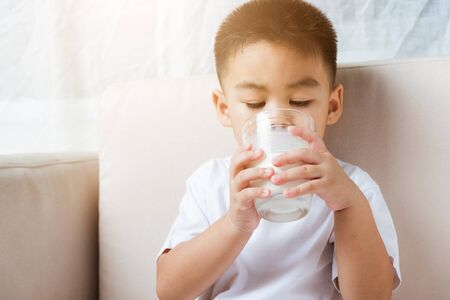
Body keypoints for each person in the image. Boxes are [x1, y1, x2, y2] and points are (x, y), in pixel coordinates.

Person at [156, 0, 401, 299]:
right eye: (254, 104)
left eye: (299, 102)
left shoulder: (353, 188)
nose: (277, 122)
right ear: (224, 108)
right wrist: (235, 223)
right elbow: (169, 289)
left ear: (332, 106)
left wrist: (347, 205)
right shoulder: (211, 184)